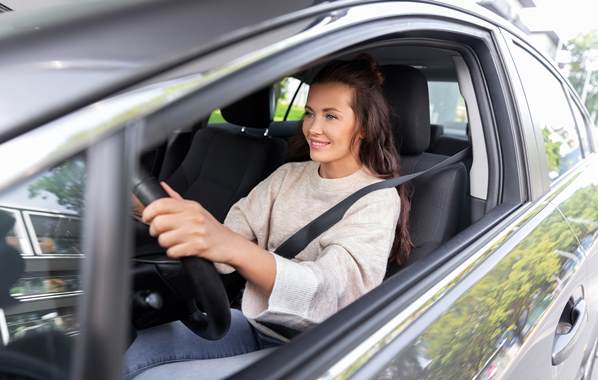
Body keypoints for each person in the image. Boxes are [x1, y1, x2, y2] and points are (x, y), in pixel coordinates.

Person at [125, 54, 412, 379]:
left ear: (363, 127)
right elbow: (230, 237)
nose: (313, 128)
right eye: (309, 113)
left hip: (315, 348)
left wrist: (231, 247)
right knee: (128, 353)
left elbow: (333, 293)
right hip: (255, 322)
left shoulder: (377, 199)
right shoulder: (289, 175)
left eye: (331, 116)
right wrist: (160, 215)